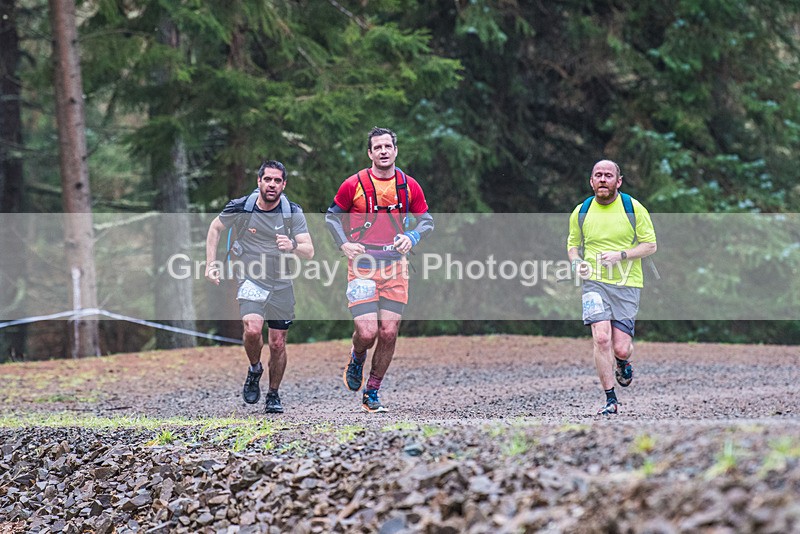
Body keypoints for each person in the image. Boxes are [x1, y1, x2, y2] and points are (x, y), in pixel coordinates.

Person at [325, 127, 434, 413]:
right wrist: (344, 245)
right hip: (362, 265)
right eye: (378, 147)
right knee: (367, 331)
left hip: (395, 266)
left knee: (389, 332)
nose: (384, 151)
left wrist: (411, 237)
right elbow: (332, 218)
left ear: (395, 151)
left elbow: (426, 221)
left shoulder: (409, 185)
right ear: (370, 153)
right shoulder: (354, 184)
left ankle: (372, 391)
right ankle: (357, 355)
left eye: (388, 146)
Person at [205, 160, 314, 414]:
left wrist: (292, 246)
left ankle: (273, 394)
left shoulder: (292, 212)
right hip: (251, 277)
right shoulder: (242, 207)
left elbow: (309, 250)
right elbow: (215, 228)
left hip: (281, 282)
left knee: (277, 343)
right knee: (252, 330)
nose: (272, 185)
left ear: (284, 184)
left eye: (277, 181)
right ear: (259, 181)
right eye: (268, 179)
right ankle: (255, 368)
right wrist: (210, 264)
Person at [567, 159, 657, 415]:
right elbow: (573, 246)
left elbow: (650, 245)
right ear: (591, 181)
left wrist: (621, 255)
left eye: (608, 175)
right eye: (598, 175)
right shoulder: (581, 211)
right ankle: (610, 399)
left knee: (620, 347)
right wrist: (577, 264)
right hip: (594, 282)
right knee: (601, 337)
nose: (603, 179)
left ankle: (623, 361)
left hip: (627, 283)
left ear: (618, 182)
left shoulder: (633, 208)